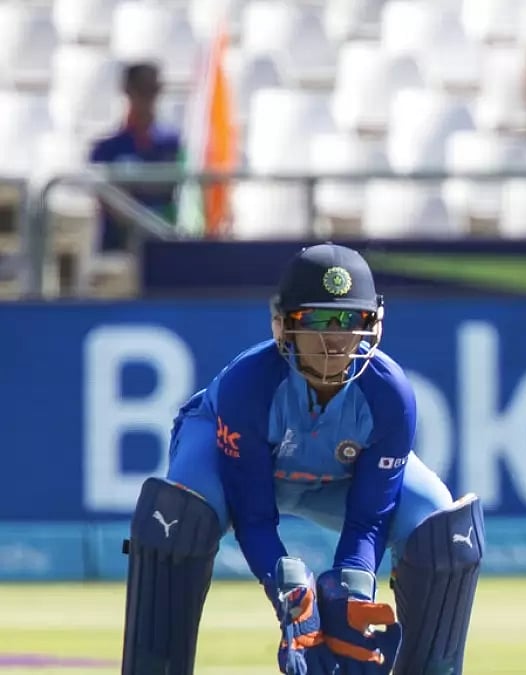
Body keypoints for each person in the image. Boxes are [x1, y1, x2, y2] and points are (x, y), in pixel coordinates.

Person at [120, 243, 485, 675]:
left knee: (442, 532)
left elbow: (369, 519)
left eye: (351, 320)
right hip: (231, 465)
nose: (334, 338)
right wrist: (287, 591)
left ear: (374, 325)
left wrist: (352, 588)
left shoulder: (392, 396)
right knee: (175, 524)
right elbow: (253, 517)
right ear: (283, 326)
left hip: (336, 482)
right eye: (316, 319)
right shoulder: (248, 384)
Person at [89, 62, 182, 251]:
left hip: (164, 248)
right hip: (118, 249)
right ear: (127, 91)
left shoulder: (173, 146)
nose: (147, 98)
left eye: (152, 90)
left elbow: (179, 196)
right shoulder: (106, 150)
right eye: (141, 89)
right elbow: (109, 202)